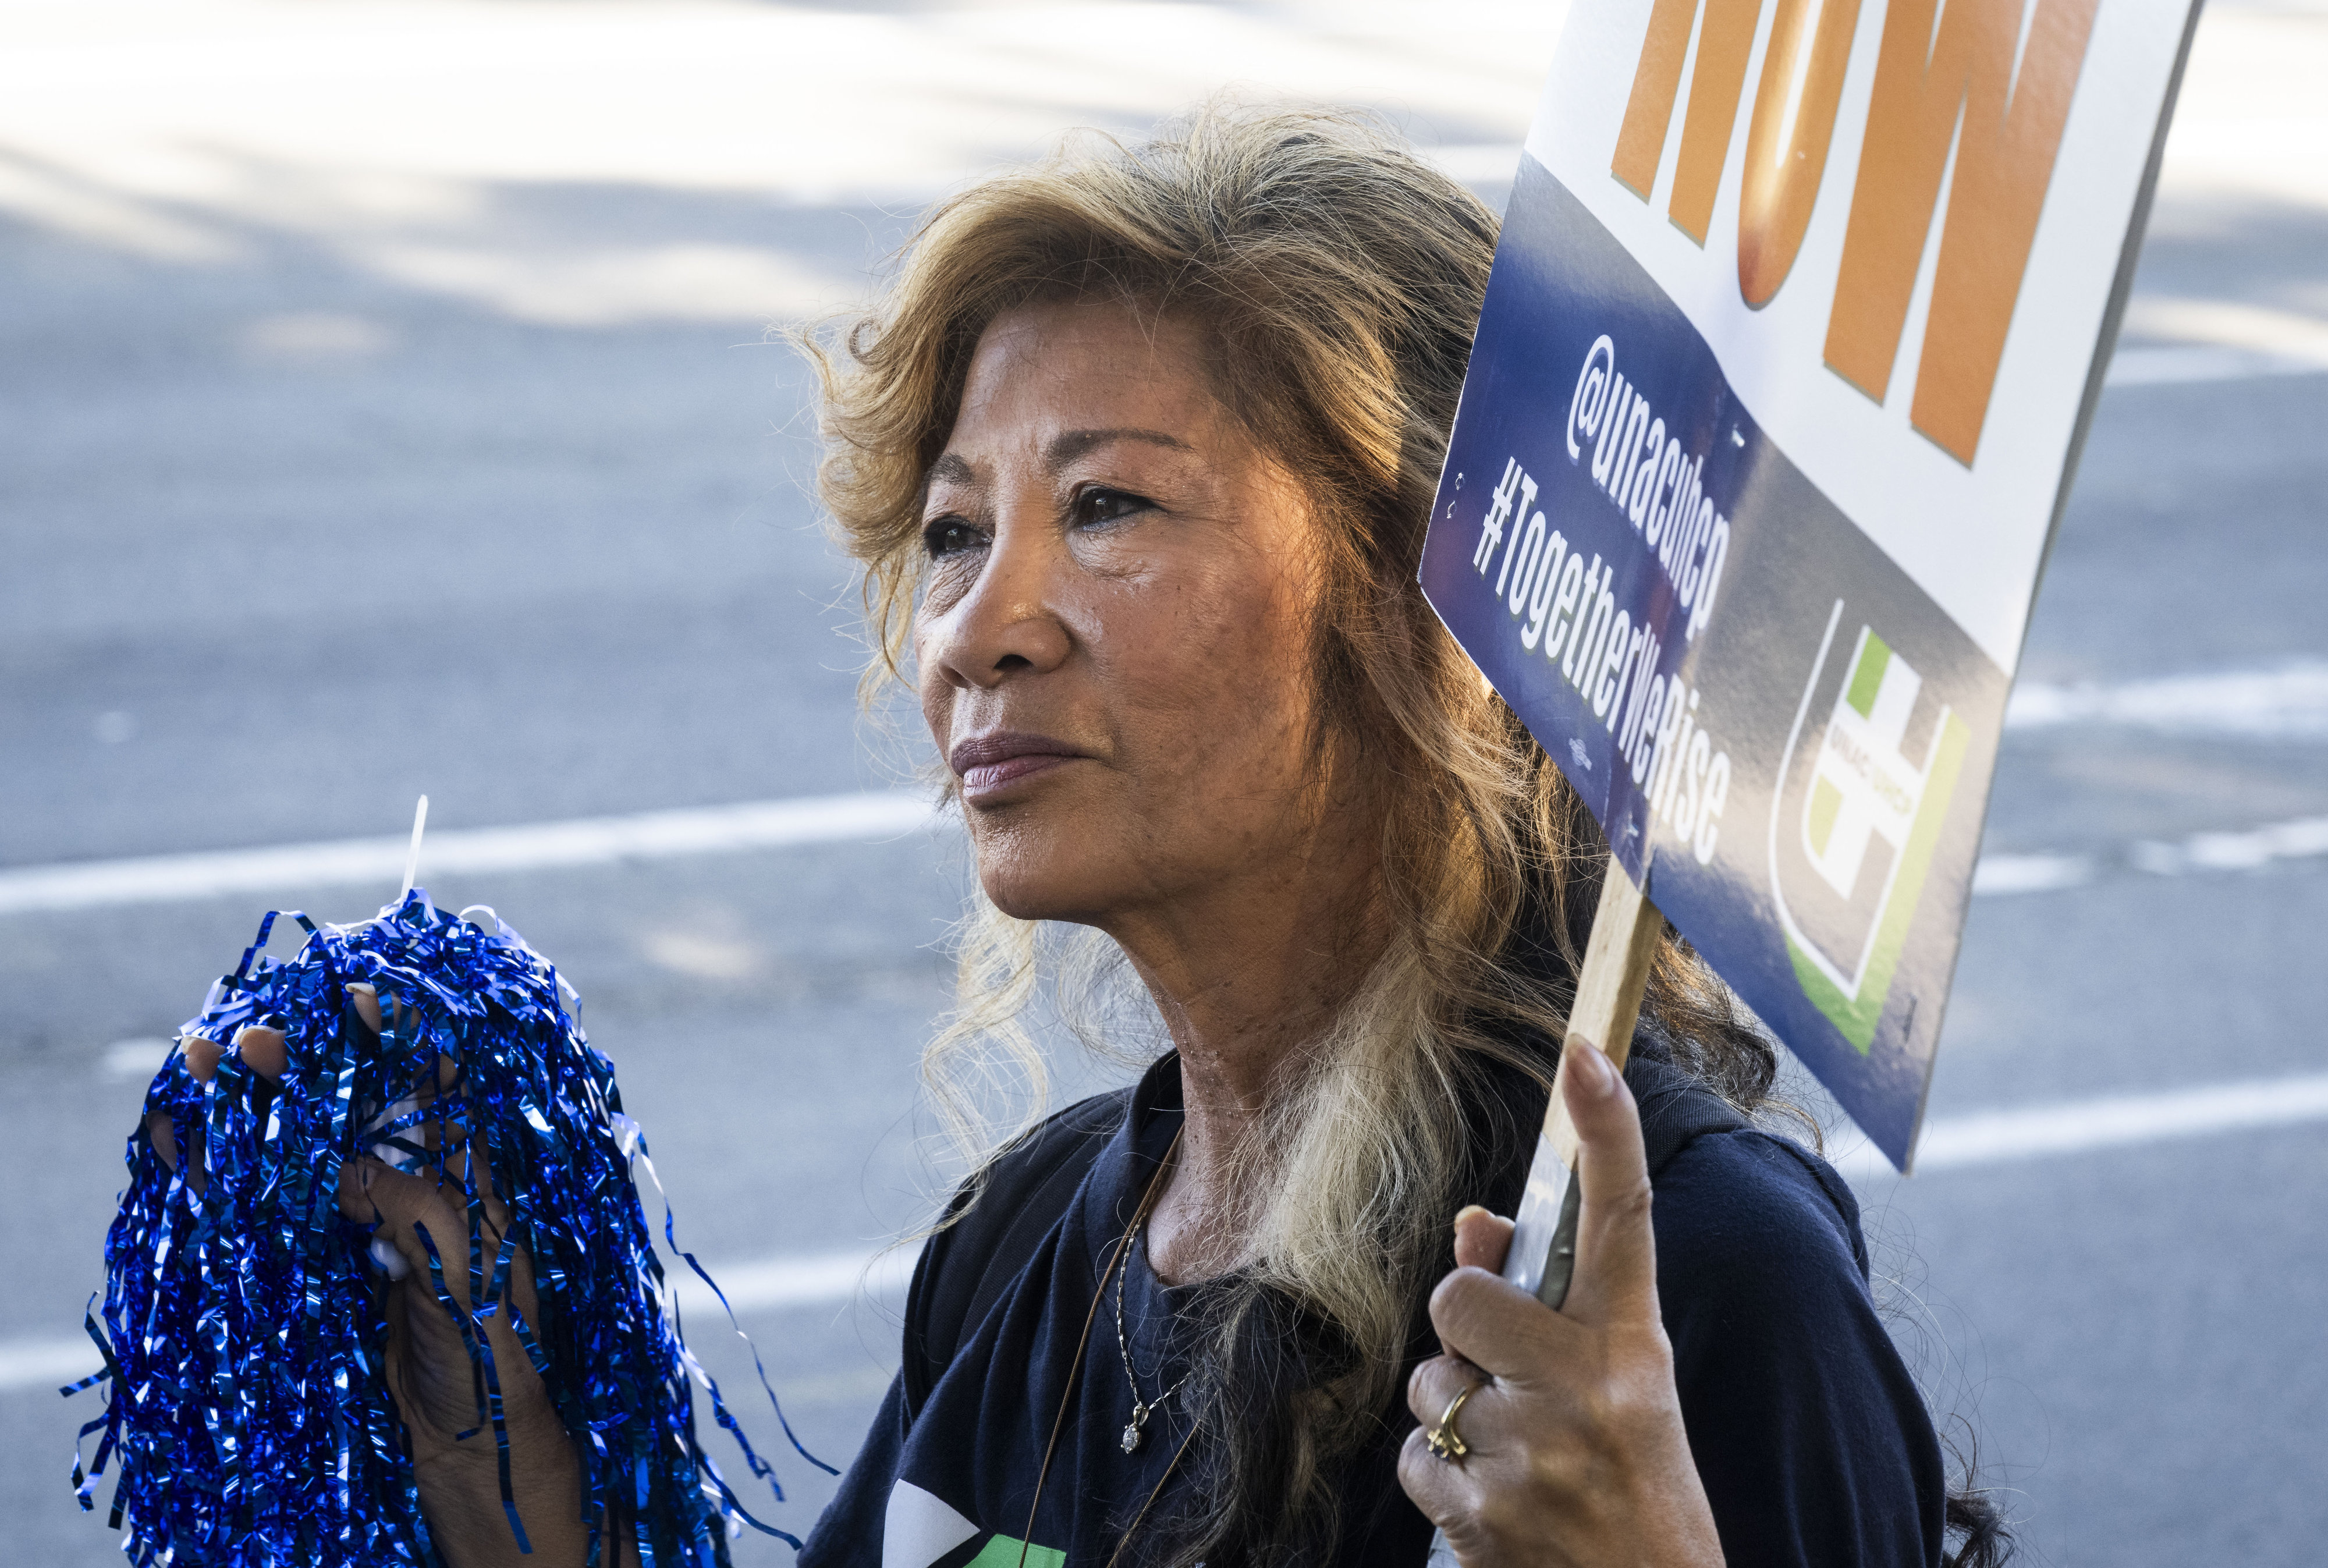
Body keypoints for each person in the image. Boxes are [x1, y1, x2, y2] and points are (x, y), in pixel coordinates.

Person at [154, 108, 2006, 1567]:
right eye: (956, 531)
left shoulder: (1663, 1293)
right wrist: (469, 1339)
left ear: (1420, 604)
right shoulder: (1034, 1241)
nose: (978, 625)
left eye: (1108, 504)